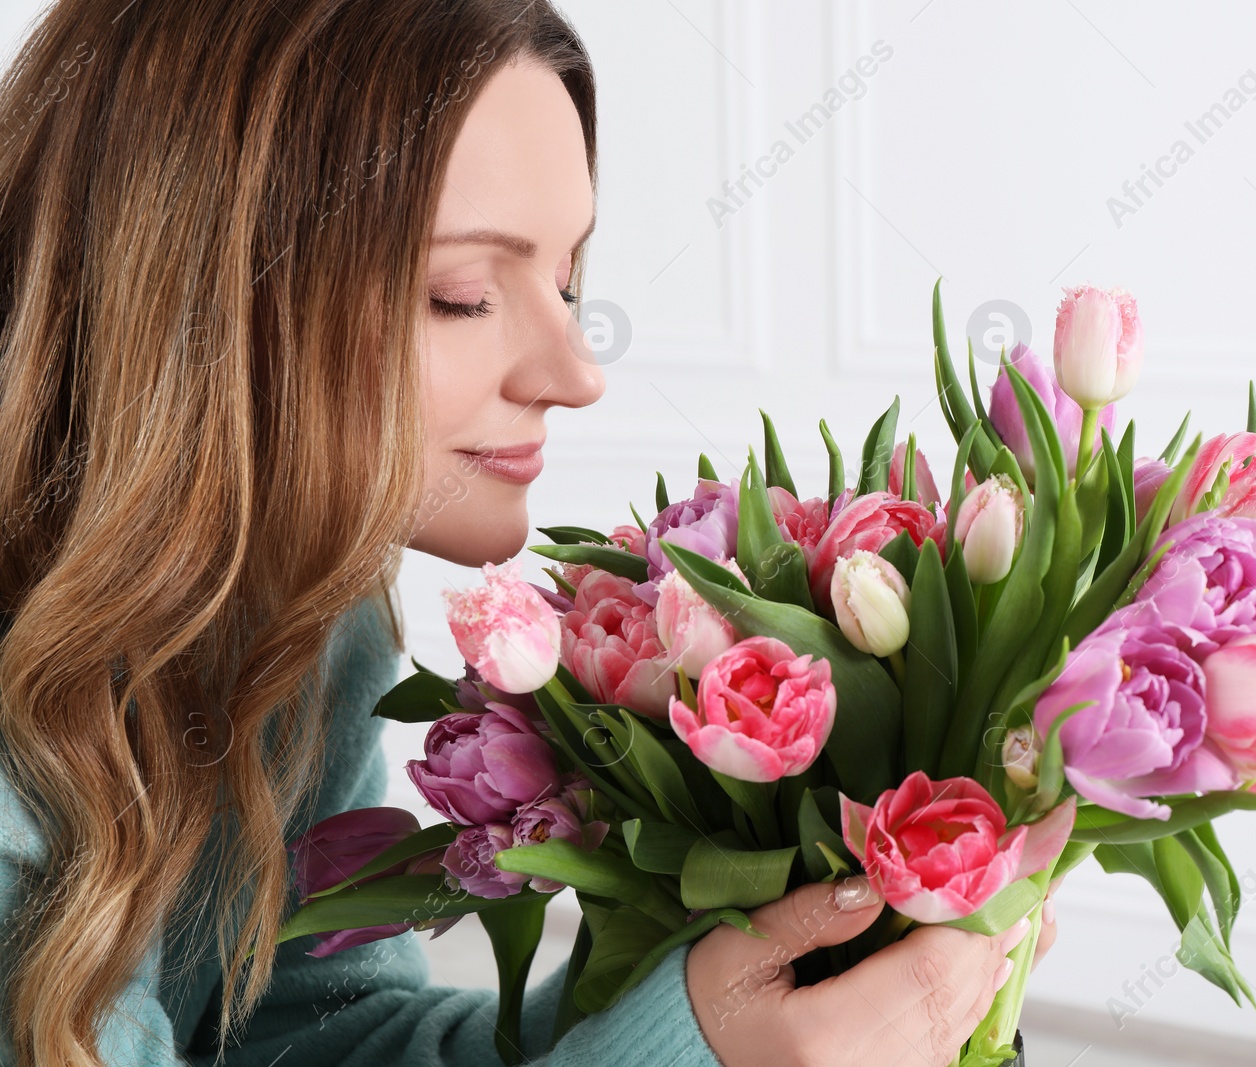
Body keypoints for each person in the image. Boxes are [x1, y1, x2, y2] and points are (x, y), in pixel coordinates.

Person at [0, 2, 1061, 1065]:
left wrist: (702, 991)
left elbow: (306, 1036)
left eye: (563, 282)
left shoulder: (291, 620)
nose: (575, 373)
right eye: (462, 294)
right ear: (193, 294)